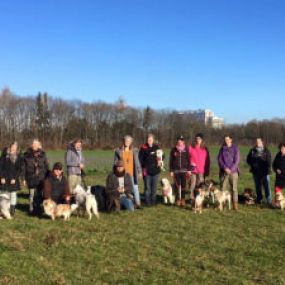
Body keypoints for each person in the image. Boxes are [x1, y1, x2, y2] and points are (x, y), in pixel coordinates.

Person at [114, 135, 143, 209]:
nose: (127, 142)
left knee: (135, 188)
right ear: (123, 141)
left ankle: (138, 203)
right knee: (123, 189)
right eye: (126, 141)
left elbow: (137, 162)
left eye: (129, 141)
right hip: (122, 174)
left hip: (132, 173)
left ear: (131, 142)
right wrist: (115, 172)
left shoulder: (134, 151)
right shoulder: (119, 151)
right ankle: (122, 204)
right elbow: (115, 163)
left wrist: (139, 171)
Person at [24, 139, 49, 215]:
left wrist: (47, 176)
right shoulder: (26, 154)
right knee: (31, 195)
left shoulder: (43, 154)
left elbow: (46, 166)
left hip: (41, 178)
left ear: (39, 145)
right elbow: (23, 167)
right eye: (34, 144)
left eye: (36, 144)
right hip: (30, 177)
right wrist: (23, 179)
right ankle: (31, 209)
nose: (35, 146)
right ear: (32, 145)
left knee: (39, 194)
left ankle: (38, 209)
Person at [0, 142, 24, 216]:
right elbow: (0, 167)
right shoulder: (4, 155)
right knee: (4, 195)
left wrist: (15, 178)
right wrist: (2, 177)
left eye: (15, 146)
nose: (14, 148)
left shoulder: (19, 157)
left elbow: (19, 169)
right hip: (5, 178)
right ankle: (3, 209)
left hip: (14, 179)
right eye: (12, 146)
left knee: (13, 194)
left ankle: (12, 209)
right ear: (10, 147)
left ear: (17, 148)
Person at [139, 134, 163, 206]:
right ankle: (147, 202)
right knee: (147, 188)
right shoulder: (143, 148)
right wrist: (141, 169)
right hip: (147, 171)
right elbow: (140, 159)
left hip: (156, 171)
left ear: (153, 140)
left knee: (154, 188)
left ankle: (153, 201)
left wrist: (161, 160)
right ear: (147, 140)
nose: (149, 141)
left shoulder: (156, 147)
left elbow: (162, 156)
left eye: (151, 139)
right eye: (148, 139)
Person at [217, 135, 240, 210]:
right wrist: (225, 168)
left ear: (231, 140)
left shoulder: (235, 148)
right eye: (225, 139)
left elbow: (237, 160)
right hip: (224, 172)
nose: (226, 141)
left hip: (233, 172)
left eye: (227, 139)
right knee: (223, 188)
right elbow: (220, 160)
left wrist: (231, 169)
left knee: (234, 189)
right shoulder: (222, 149)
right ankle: (222, 204)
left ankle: (235, 204)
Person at [246, 138, 272, 204]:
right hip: (256, 172)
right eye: (256, 142)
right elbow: (248, 159)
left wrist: (267, 168)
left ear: (262, 142)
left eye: (259, 142)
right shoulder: (252, 150)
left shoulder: (266, 150)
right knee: (258, 187)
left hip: (265, 172)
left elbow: (269, 161)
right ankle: (259, 200)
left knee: (267, 187)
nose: (258, 143)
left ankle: (269, 201)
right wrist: (252, 164)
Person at [169, 135, 192, 207]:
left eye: (181, 140)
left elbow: (189, 160)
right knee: (177, 186)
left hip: (184, 171)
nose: (179, 141)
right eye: (178, 140)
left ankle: (183, 199)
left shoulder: (186, 149)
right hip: (176, 171)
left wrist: (189, 170)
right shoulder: (174, 150)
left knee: (183, 186)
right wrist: (171, 171)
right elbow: (171, 161)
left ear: (183, 142)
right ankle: (178, 199)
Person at [188, 133, 210, 202]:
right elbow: (187, 158)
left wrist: (207, 170)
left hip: (201, 170)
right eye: (197, 138)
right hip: (193, 169)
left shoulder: (205, 149)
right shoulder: (191, 147)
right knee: (193, 184)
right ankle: (191, 198)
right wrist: (190, 164)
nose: (198, 140)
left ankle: (201, 198)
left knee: (201, 185)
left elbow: (207, 160)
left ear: (202, 140)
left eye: (199, 139)